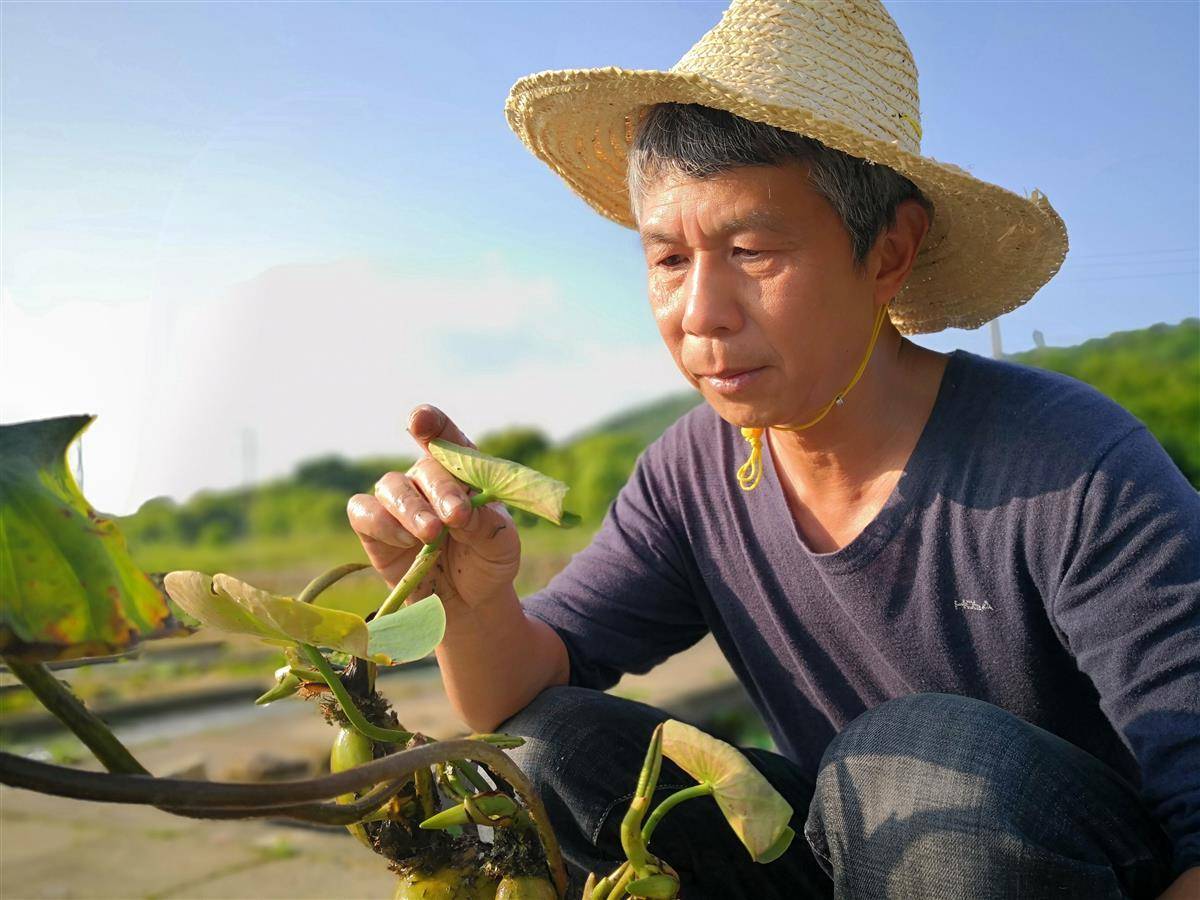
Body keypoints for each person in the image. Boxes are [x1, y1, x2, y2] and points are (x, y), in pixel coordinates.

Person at [347, 1, 1199, 897]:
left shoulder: (1072, 465)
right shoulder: (690, 475)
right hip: (858, 855)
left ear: (889, 252)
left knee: (914, 760)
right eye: (669, 259)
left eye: (751, 248)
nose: (700, 312)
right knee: (553, 745)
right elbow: (513, 698)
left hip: (1069, 863)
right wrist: (473, 603)